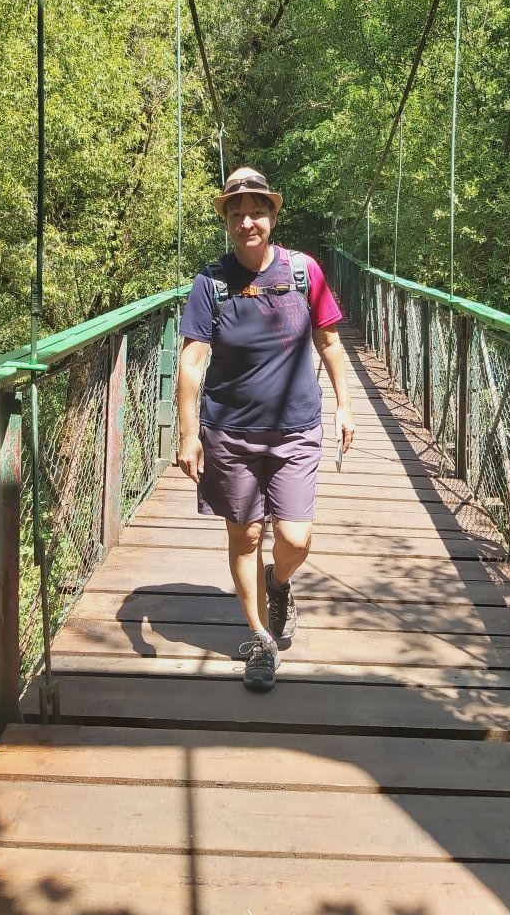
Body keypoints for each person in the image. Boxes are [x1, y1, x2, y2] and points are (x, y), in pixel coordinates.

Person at [176, 167, 354, 692]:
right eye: (236, 214)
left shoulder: (304, 272)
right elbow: (191, 361)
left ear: (273, 216)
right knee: (247, 532)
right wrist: (189, 434)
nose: (246, 222)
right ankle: (259, 640)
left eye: (256, 212)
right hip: (229, 431)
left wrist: (345, 405)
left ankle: (279, 582)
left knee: (295, 538)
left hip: (296, 426)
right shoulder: (210, 283)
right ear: (226, 221)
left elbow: (331, 344)